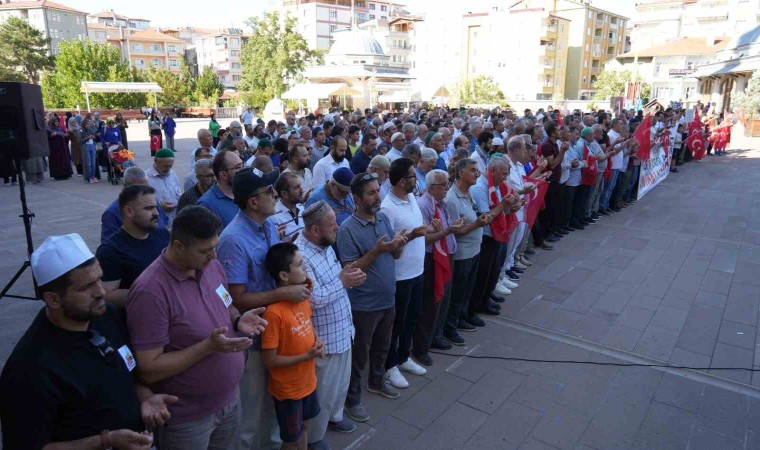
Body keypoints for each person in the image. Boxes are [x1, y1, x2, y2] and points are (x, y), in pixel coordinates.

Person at [0, 233, 175, 450]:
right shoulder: (29, 368)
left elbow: (129, 374)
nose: (101, 292)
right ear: (52, 299)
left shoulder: (107, 315)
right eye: (86, 288)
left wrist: (145, 397)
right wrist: (106, 441)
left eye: (99, 280)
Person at [127, 206, 268, 449]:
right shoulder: (150, 292)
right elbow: (148, 369)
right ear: (179, 246)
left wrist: (237, 319)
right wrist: (208, 347)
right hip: (187, 420)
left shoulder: (210, 266)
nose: (214, 255)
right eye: (205, 250)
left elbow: (225, 301)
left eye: (215, 246)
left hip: (230, 401)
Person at [218, 167, 308, 450]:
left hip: (278, 332)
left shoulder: (268, 224)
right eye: (269, 192)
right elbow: (236, 299)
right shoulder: (233, 239)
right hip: (255, 341)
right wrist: (284, 291)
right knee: (252, 414)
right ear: (253, 202)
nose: (274, 195)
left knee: (275, 407)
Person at [338, 172, 408, 423]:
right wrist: (377, 250)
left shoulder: (382, 219)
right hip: (364, 305)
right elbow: (350, 269)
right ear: (357, 198)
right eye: (371, 192)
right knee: (360, 355)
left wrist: (400, 243)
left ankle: (377, 381)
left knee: (382, 348)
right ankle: (352, 399)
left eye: (378, 190)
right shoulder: (347, 230)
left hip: (388, 298)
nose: (378, 196)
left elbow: (395, 256)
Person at [297, 201, 365, 449]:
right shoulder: (301, 255)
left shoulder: (325, 245)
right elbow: (312, 299)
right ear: (315, 230)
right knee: (323, 393)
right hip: (324, 339)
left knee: (339, 387)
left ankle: (335, 417)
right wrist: (343, 282)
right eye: (332, 224)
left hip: (342, 331)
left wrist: (349, 276)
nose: (338, 227)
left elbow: (335, 280)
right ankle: (315, 437)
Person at [261, 243, 324, 450]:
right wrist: (307, 356)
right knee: (291, 439)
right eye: (299, 264)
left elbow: (308, 321)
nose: (305, 267)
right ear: (284, 276)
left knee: (304, 426)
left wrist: (316, 339)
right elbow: (270, 360)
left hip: (308, 381)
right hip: (289, 390)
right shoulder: (274, 313)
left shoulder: (301, 297)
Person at [380, 158, 430, 389]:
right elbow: (390, 247)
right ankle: (389, 366)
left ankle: (403, 356)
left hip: (417, 270)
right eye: (412, 176)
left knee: (412, 318)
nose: (416, 180)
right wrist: (413, 235)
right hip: (400, 276)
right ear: (402, 181)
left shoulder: (410, 197)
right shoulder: (387, 208)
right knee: (396, 323)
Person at [443, 158, 492, 346]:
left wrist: (480, 219)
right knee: (458, 291)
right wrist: (477, 224)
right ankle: (450, 327)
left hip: (474, 249)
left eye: (477, 170)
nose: (476, 174)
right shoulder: (452, 199)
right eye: (472, 170)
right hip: (462, 253)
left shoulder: (469, 193)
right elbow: (456, 231)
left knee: (467, 289)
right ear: (461, 173)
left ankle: (462, 318)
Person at [415, 169, 463, 359]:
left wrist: (452, 227)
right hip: (432, 259)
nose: (447, 188)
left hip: (446, 255)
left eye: (447, 184)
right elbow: (425, 238)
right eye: (443, 185)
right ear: (432, 187)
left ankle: (437, 334)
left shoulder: (442, 204)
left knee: (443, 299)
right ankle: (422, 347)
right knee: (430, 303)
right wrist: (448, 231)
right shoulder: (423, 205)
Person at [96, 184, 170, 306]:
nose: (156, 213)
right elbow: (107, 295)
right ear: (129, 211)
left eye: (156, 207)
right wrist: (154, 295)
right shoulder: (110, 251)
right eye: (149, 208)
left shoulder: (162, 234)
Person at [101, 167, 169, 244]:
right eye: (137, 189)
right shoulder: (112, 213)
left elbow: (163, 224)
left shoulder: (153, 203)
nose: (155, 212)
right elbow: (108, 243)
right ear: (125, 187)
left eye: (146, 187)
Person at [197, 150, 244, 228]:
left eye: (243, 165)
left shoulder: (244, 192)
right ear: (223, 174)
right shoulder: (206, 205)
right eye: (238, 167)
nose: (243, 171)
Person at [146, 148, 182, 226]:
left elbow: (178, 194)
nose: (168, 169)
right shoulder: (146, 179)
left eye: (170, 166)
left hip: (175, 222)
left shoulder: (173, 175)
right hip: (158, 223)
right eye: (165, 166)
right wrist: (159, 206)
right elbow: (142, 203)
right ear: (155, 161)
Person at [273, 172, 305, 240]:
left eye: (300, 186)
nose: (302, 191)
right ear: (284, 194)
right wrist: (289, 245)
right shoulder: (274, 217)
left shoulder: (301, 207)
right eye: (296, 188)